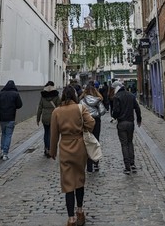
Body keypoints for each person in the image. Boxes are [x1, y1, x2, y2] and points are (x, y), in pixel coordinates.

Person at [50, 85, 95, 226]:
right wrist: (83, 129)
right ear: (75, 96)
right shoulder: (80, 108)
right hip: (80, 146)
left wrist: (52, 151)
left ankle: (71, 219)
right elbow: (91, 122)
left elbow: (54, 134)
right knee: (79, 180)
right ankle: (80, 212)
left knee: (68, 182)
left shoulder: (57, 111)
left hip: (65, 147)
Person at [112, 81, 142, 174]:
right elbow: (137, 108)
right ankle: (132, 164)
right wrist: (139, 119)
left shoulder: (117, 97)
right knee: (130, 143)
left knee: (124, 144)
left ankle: (127, 166)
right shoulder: (131, 95)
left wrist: (114, 116)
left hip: (121, 123)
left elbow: (116, 110)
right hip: (130, 122)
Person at [0, 80, 23, 161]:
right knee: (8, 135)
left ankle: (2, 150)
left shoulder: (0, 94)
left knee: (3, 134)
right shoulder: (15, 94)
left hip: (2, 118)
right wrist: (13, 106)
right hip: (11, 117)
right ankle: (5, 153)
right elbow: (20, 105)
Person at [80, 82, 106, 172]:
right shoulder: (97, 100)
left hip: (86, 121)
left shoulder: (82, 100)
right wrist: (96, 112)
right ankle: (96, 163)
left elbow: (79, 112)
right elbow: (103, 111)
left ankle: (89, 166)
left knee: (87, 141)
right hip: (96, 121)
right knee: (96, 141)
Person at [36, 81, 61, 157]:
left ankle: (46, 148)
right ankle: (50, 149)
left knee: (46, 133)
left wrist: (38, 118)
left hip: (45, 117)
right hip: (54, 116)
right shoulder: (56, 95)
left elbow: (40, 107)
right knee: (51, 134)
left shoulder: (43, 95)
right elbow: (59, 107)